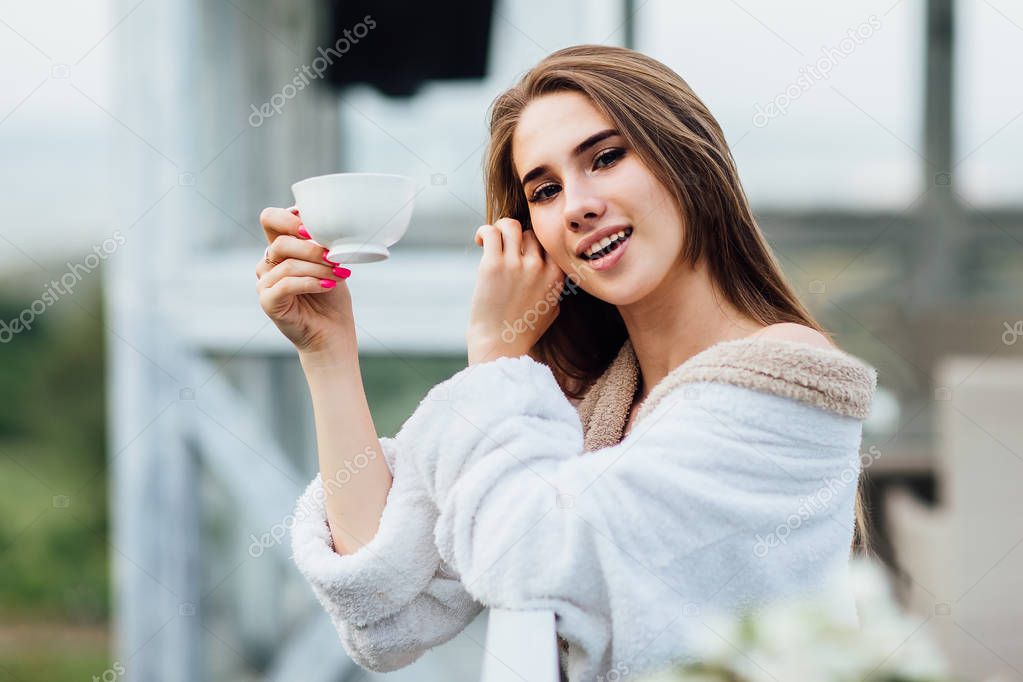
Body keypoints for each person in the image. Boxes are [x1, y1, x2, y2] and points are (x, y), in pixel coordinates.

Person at [254, 44, 877, 682]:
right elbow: (386, 607)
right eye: (545, 191)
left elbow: (535, 557)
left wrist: (494, 353)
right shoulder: (583, 403)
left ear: (689, 160)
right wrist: (327, 351)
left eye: (606, 158)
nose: (577, 204)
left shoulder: (786, 381)